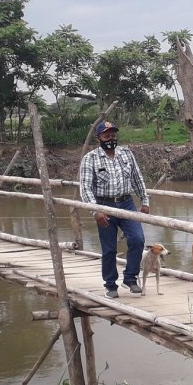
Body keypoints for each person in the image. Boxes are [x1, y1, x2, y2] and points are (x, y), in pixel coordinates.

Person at [79, 121, 151, 299]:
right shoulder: (91, 158)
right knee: (109, 249)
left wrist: (144, 200)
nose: (110, 138)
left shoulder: (126, 154)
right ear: (99, 138)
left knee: (137, 239)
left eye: (113, 135)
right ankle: (110, 284)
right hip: (105, 205)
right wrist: (96, 210)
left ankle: (130, 278)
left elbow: (136, 178)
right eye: (106, 136)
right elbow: (86, 188)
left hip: (126, 203)